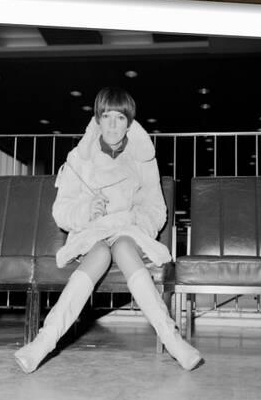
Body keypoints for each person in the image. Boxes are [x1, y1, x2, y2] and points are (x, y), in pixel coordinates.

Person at [14, 87, 202, 373]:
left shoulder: (143, 159)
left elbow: (156, 210)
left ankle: (173, 340)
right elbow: (61, 211)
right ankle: (43, 342)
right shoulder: (79, 159)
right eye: (107, 117)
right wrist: (87, 210)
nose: (113, 125)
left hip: (130, 232)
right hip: (91, 235)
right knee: (101, 252)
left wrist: (133, 220)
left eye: (120, 118)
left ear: (129, 122)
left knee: (123, 245)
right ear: (97, 120)